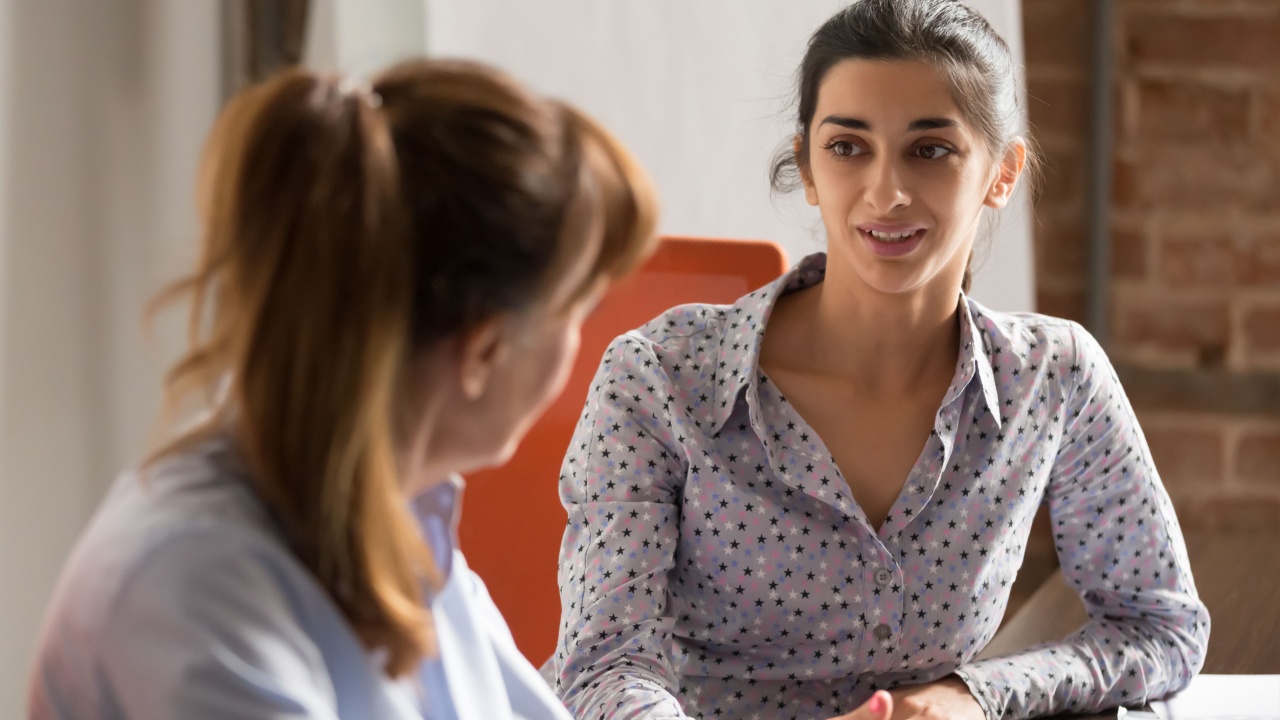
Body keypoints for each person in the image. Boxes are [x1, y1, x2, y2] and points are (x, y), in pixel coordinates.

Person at [552, 2, 1209, 719]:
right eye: (847, 148)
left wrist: (974, 695)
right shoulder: (658, 379)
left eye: (930, 150)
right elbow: (604, 670)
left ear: (1003, 172)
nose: (887, 192)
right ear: (806, 165)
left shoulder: (1054, 378)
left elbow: (1160, 628)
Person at [28, 58, 659, 720]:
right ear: (485, 350)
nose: (581, 346)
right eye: (576, 311)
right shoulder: (194, 586)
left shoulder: (403, 524)